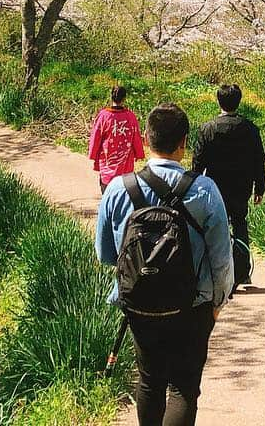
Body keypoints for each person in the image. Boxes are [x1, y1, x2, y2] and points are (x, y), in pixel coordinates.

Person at [96, 103, 234, 426]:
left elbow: (105, 255)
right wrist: (218, 303)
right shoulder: (205, 190)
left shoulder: (119, 188)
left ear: (146, 138)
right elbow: (222, 260)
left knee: (149, 382)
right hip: (191, 307)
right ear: (184, 143)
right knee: (184, 388)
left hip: (140, 305)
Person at [192, 84, 265, 284]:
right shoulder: (250, 129)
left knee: (217, 227)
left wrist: (193, 186)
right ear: (239, 101)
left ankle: (218, 272)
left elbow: (198, 161)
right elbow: (258, 159)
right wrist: (260, 187)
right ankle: (241, 272)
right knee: (240, 224)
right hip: (242, 186)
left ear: (219, 101)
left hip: (215, 187)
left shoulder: (207, 129)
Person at [88, 85, 145, 195]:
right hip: (126, 166)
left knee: (107, 194)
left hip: (107, 163)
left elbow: (96, 136)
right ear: (124, 99)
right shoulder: (130, 116)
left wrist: (93, 154)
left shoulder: (103, 116)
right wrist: (139, 153)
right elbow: (136, 137)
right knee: (124, 193)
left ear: (111, 97)